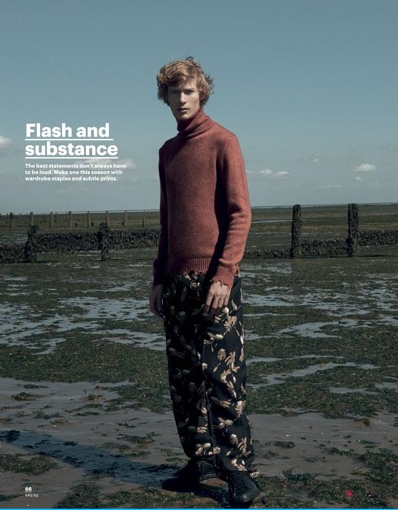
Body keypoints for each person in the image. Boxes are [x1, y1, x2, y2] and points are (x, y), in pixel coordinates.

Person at [148, 57, 260, 507]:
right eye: (173, 92)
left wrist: (224, 274)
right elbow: (167, 221)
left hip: (214, 283)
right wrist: (158, 277)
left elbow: (240, 214)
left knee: (223, 380)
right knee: (184, 381)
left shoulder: (222, 142)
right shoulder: (167, 152)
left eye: (188, 91)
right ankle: (201, 462)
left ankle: (241, 473)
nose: (180, 99)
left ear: (202, 94)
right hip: (175, 283)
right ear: (166, 98)